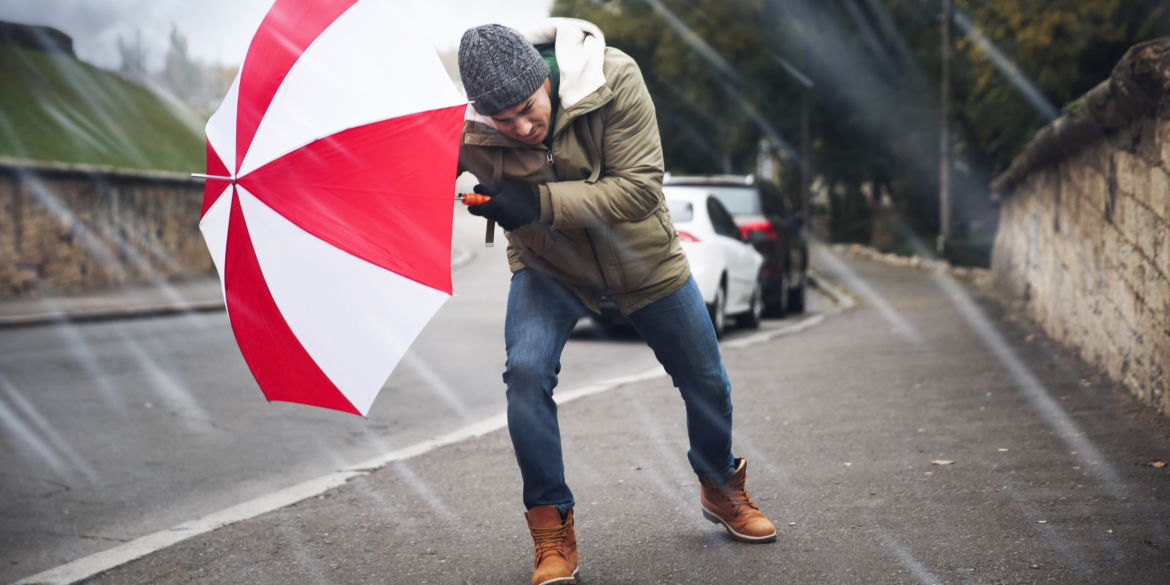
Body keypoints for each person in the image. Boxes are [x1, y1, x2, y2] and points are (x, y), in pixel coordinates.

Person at [456, 19, 775, 585]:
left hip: (644, 258)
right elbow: (453, 187)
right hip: (549, 266)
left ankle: (719, 482)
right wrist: (479, 197)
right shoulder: (472, 134)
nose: (523, 127)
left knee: (706, 383)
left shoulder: (613, 77)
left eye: (530, 108)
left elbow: (639, 187)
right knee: (525, 373)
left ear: (545, 78)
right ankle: (551, 527)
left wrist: (535, 201)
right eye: (504, 121)